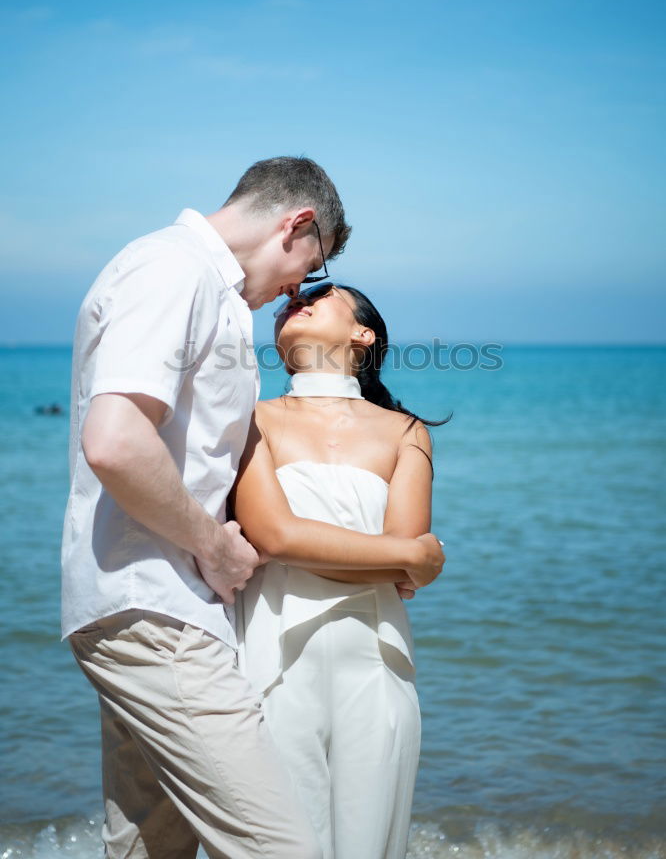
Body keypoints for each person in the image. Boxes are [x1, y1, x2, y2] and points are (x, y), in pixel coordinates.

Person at [62, 156, 444, 859]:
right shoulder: (176, 271)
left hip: (172, 613)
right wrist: (215, 543)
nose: (295, 291)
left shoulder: (203, 290)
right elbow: (114, 441)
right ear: (297, 225)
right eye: (311, 267)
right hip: (157, 609)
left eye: (316, 287)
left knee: (151, 847)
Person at [233, 281, 449, 859]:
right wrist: (406, 556)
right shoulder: (250, 417)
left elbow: (392, 557)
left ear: (363, 334)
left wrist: (395, 556)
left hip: (378, 661)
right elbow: (273, 535)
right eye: (289, 303)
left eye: (321, 295)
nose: (294, 300)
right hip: (268, 656)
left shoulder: (407, 431)